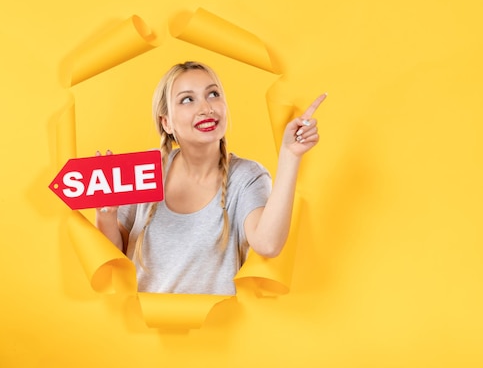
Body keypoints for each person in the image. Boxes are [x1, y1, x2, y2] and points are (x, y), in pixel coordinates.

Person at [95, 61, 326, 295]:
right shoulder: (144, 170)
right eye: (188, 99)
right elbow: (114, 256)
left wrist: (290, 155)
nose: (207, 108)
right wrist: (107, 214)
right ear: (167, 122)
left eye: (213, 94)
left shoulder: (246, 177)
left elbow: (268, 244)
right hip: (142, 327)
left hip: (217, 328)